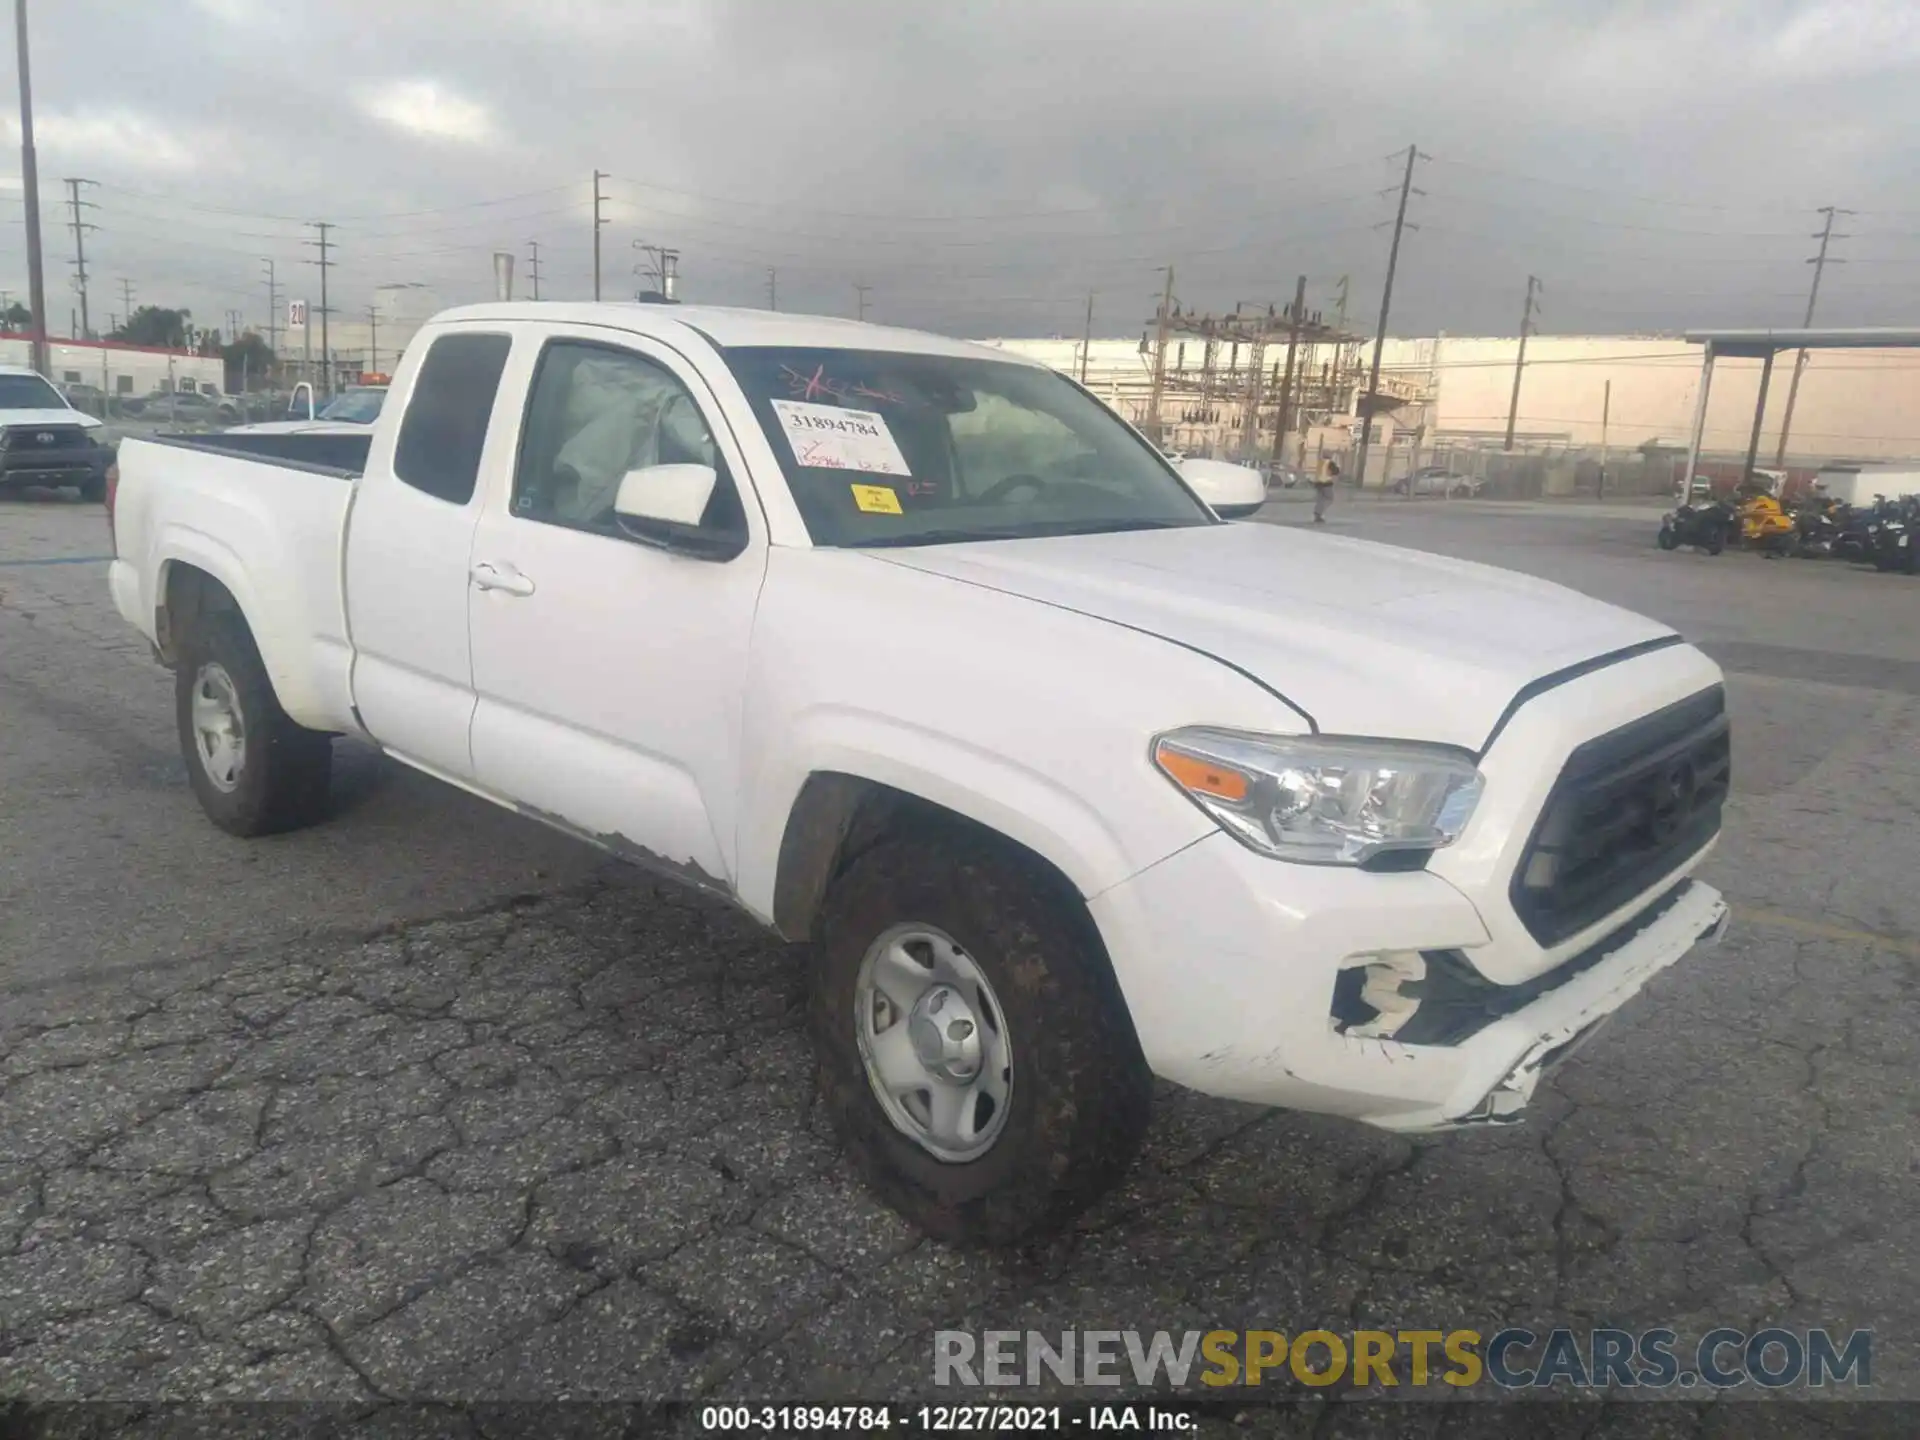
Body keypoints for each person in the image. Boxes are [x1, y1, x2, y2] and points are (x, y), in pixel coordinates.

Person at [1313, 457, 1340, 523]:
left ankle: (1317, 512)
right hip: (1326, 483)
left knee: (1320, 499)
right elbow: (1335, 472)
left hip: (1318, 483)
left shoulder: (1320, 462)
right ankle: (1319, 512)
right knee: (1329, 499)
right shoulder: (1330, 463)